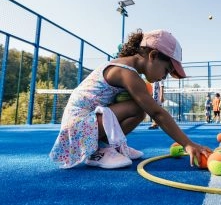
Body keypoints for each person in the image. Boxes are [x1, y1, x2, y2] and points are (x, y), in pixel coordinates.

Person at [49, 29, 212, 169]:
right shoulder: (126, 72)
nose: (164, 77)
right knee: (138, 108)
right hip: (78, 127)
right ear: (153, 56)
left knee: (137, 109)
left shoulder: (127, 69)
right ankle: (99, 151)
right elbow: (157, 113)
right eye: (166, 70)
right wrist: (188, 144)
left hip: (86, 124)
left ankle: (109, 146)